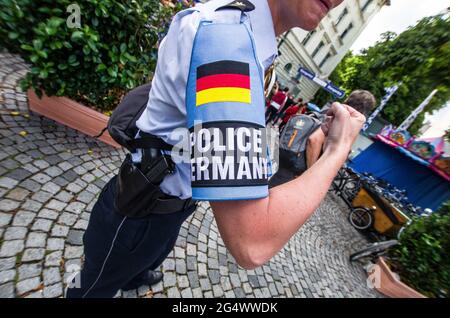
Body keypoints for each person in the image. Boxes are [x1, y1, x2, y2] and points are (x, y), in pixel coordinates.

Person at [66, 0, 360, 298]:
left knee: (148, 255)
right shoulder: (227, 42)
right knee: (92, 288)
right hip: (140, 208)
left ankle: (135, 274)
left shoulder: (246, 35)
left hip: (173, 203)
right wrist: (337, 150)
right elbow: (252, 242)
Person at [306, 90, 376, 168]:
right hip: (301, 170)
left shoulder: (334, 111)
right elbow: (314, 140)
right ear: (363, 109)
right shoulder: (341, 117)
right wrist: (311, 173)